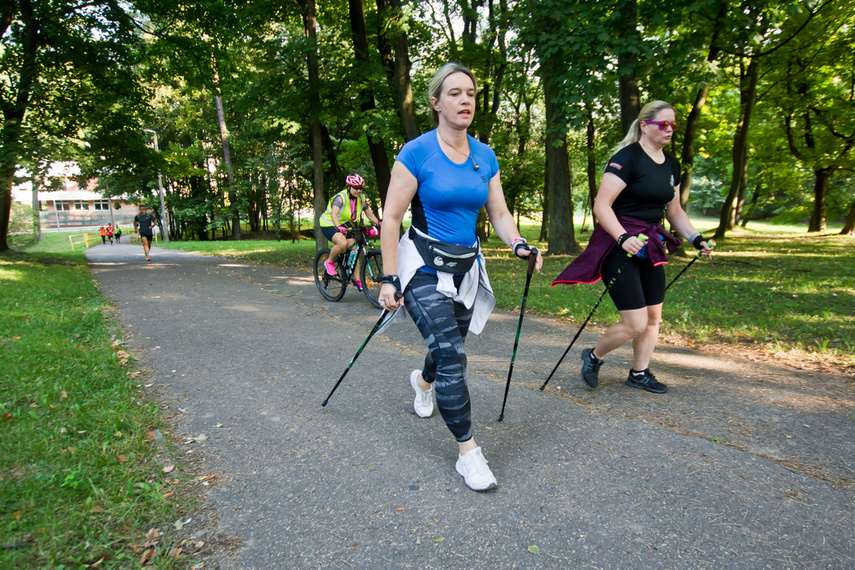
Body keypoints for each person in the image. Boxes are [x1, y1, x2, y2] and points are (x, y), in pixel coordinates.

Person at [377, 63, 542, 492]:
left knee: (448, 347)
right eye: (454, 93)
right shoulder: (415, 153)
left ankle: (422, 381)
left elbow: (500, 214)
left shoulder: (485, 156)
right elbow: (391, 219)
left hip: (466, 268)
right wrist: (389, 277)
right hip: (421, 268)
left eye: (470, 92)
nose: (465, 99)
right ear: (435, 102)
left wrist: (518, 244)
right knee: (453, 355)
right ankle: (469, 454)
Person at [553, 100, 714, 394]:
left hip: (651, 245)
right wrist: (622, 237)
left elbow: (674, 211)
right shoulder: (627, 158)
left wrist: (697, 238)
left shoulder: (672, 164)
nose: (669, 129)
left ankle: (639, 373)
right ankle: (594, 355)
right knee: (635, 322)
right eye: (662, 124)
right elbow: (602, 205)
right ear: (644, 126)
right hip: (621, 245)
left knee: (654, 318)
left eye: (673, 124)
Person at [318, 174, 382, 291]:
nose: (358, 190)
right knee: (342, 243)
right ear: (349, 187)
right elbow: (333, 214)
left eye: (360, 188)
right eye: (355, 188)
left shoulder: (361, 198)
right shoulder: (341, 197)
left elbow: (369, 214)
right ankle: (330, 262)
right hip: (329, 224)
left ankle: (356, 279)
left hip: (343, 226)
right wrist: (338, 226)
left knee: (354, 249)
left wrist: (379, 223)